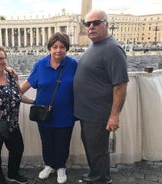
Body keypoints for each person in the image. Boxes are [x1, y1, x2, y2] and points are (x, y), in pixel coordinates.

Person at [73, 10, 129, 184]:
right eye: (87, 24)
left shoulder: (112, 49)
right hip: (87, 112)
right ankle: (95, 174)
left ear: (106, 24)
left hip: (98, 114)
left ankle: (101, 179)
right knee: (92, 147)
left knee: (98, 150)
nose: (91, 27)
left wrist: (114, 116)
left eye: (96, 23)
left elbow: (120, 85)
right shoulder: (95, 45)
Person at [20, 32, 77, 184]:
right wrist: (31, 101)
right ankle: (49, 165)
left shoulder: (73, 64)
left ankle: (61, 167)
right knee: (47, 141)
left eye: (62, 47)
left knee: (63, 142)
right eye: (55, 47)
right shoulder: (40, 65)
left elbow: (82, 88)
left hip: (66, 113)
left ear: (67, 48)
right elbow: (24, 86)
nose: (58, 50)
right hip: (44, 114)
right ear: (49, 48)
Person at [0, 45, 32, 184]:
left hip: (12, 124)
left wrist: (34, 101)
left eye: (1, 58)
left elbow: (18, 95)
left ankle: (13, 174)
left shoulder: (11, 75)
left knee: (17, 149)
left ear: (6, 58)